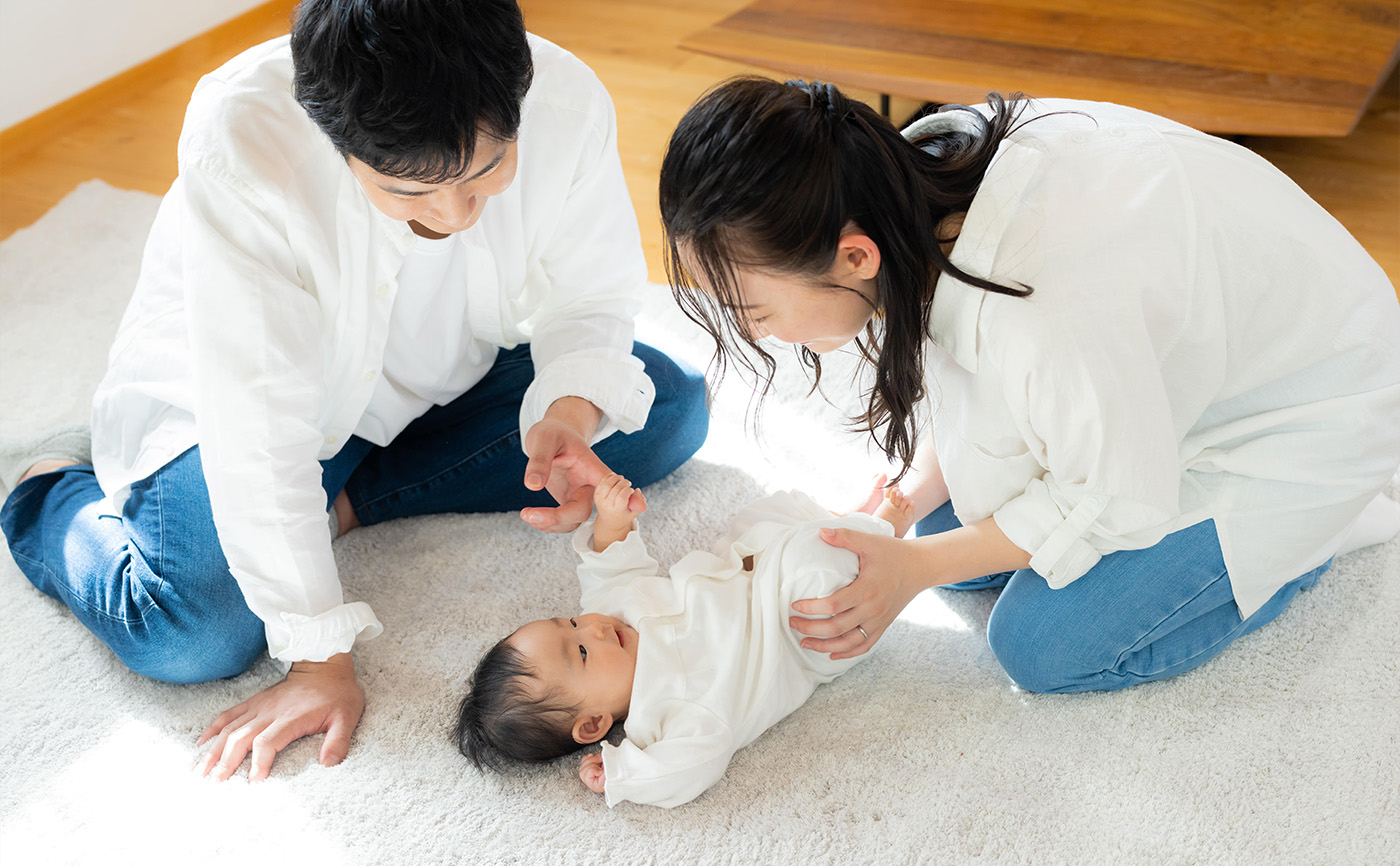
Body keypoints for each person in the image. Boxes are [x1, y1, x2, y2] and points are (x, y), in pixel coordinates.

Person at [0, 0, 707, 781]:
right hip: (243, 410)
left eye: (486, 171)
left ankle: (338, 503)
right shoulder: (244, 140)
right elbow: (258, 427)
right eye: (411, 192)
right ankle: (46, 491)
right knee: (192, 637)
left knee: (670, 410)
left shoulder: (566, 99)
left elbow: (588, 300)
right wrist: (317, 660)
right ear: (338, 141)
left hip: (435, 384)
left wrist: (567, 414)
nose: (456, 214)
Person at [655, 77, 1400, 693]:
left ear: (855, 257)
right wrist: (901, 508)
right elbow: (980, 380)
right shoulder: (890, 178)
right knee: (947, 537)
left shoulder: (1044, 305)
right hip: (1182, 356)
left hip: (1308, 410)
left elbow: (1115, 496)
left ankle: (1311, 542)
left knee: (1042, 647)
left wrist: (912, 567)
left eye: (752, 309)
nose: (754, 332)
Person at [453, 473, 914, 808]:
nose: (589, 628)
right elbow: (690, 767)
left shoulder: (611, 614)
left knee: (765, 515)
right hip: (801, 633)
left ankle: (849, 522)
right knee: (815, 570)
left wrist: (612, 520)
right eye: (580, 651)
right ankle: (882, 535)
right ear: (593, 725)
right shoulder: (668, 713)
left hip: (750, 566)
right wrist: (624, 775)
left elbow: (608, 566)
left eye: (568, 621)